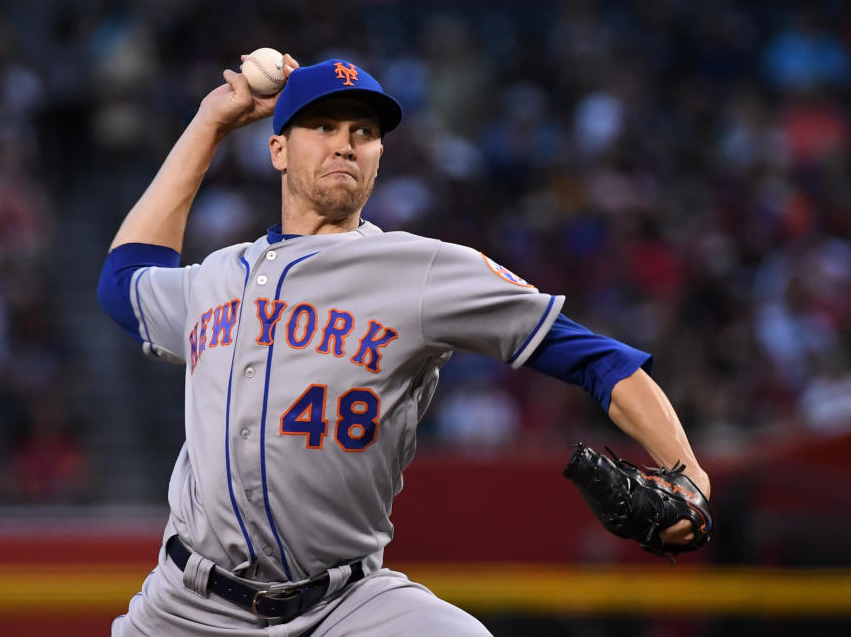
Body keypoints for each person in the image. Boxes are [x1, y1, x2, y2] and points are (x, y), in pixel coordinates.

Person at [98, 53, 711, 636]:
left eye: (363, 131)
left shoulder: (420, 269)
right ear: (278, 149)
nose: (345, 142)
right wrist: (209, 123)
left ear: (379, 155)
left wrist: (690, 476)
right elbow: (123, 283)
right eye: (323, 125)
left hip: (345, 606)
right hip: (187, 607)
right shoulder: (214, 277)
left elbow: (596, 360)